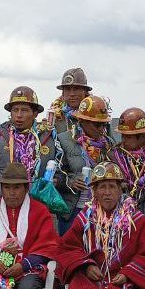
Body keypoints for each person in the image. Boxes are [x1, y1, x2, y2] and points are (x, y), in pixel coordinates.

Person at [0, 87, 65, 212]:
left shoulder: (49, 137)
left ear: (35, 113)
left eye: (24, 110)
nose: (19, 115)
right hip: (4, 205)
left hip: (39, 207)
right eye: (15, 110)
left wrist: (58, 181)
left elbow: (64, 170)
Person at [56, 94, 114, 233]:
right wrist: (70, 182)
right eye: (97, 124)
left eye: (104, 124)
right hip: (73, 211)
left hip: (101, 210)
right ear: (82, 120)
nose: (101, 128)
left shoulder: (108, 143)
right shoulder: (63, 140)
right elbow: (55, 174)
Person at [46, 67, 91, 137]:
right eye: (67, 89)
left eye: (76, 89)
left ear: (85, 92)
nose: (72, 94)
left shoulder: (96, 117)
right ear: (63, 93)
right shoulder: (54, 118)